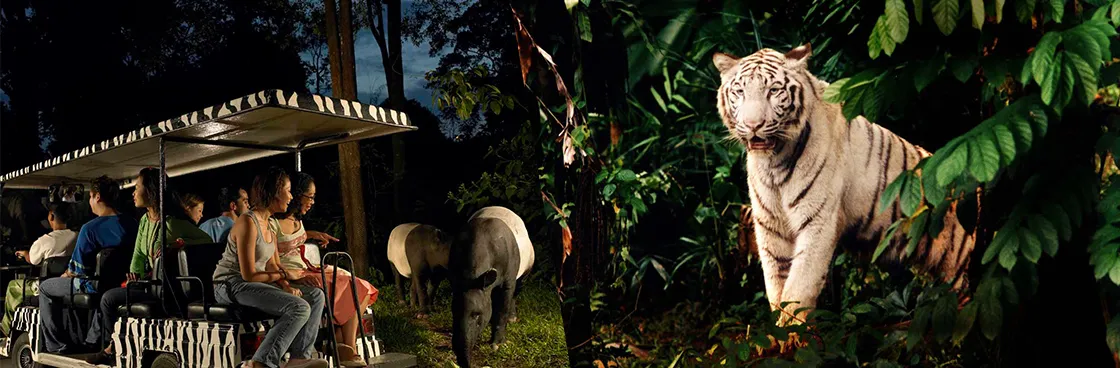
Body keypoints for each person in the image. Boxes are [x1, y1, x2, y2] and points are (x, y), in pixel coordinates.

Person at [86, 168, 213, 364]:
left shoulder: (172, 223)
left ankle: (113, 348)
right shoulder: (145, 220)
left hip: (167, 288)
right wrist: (134, 277)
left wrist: (180, 246)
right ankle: (116, 345)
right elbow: (138, 254)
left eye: (137, 187)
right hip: (150, 283)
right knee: (113, 295)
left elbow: (206, 241)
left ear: (151, 190)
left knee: (108, 299)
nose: (133, 193)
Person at [213, 167, 328, 368]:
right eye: (288, 190)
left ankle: (299, 357)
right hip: (230, 284)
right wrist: (285, 274)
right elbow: (248, 274)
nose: (291, 196)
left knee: (316, 296)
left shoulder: (270, 225)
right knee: (298, 307)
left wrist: (286, 285)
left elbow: (273, 264)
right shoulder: (248, 222)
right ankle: (263, 362)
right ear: (274, 192)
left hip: (253, 283)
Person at [274, 173, 376, 367]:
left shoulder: (297, 219)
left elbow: (295, 238)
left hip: (305, 267)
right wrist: (291, 279)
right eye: (309, 196)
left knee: (361, 285)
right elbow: (275, 253)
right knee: (346, 283)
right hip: (292, 274)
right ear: (296, 194)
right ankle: (347, 347)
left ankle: (340, 342)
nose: (312, 201)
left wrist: (313, 234)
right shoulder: (274, 222)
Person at [38, 176, 138, 354]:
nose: (90, 202)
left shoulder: (90, 228)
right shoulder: (132, 223)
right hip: (118, 282)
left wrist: (64, 275)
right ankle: (91, 338)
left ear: (97, 197)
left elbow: (78, 269)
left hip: (92, 285)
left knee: (46, 288)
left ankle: (56, 345)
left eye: (90, 197)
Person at [2, 202, 78, 336]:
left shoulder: (45, 240)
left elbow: (33, 260)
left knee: (13, 286)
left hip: (45, 285)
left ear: (51, 216)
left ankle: (6, 326)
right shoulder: (77, 236)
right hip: (70, 284)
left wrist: (25, 254)